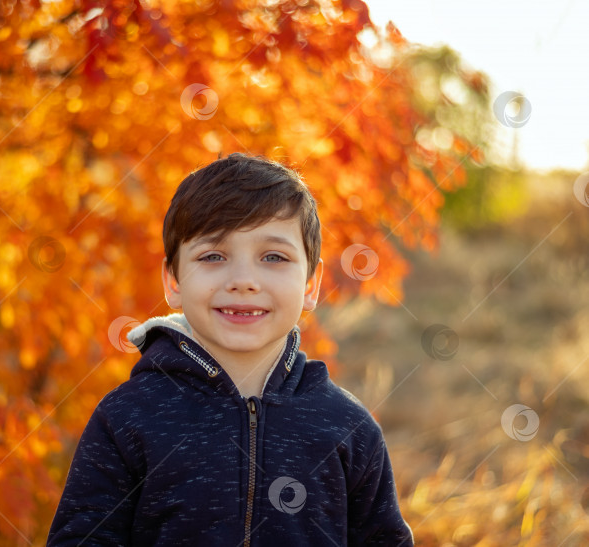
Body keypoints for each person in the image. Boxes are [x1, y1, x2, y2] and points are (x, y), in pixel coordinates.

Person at [46, 152, 413, 546]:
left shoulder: (347, 427)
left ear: (310, 283)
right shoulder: (128, 418)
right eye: (213, 256)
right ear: (173, 281)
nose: (243, 280)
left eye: (273, 257)